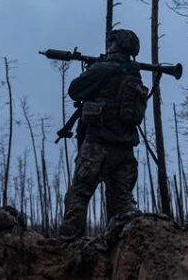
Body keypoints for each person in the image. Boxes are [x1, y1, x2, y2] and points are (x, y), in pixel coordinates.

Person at [58, 29, 148, 241]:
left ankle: (65, 248)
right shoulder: (135, 74)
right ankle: (126, 245)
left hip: (97, 145)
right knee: (123, 199)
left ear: (114, 45)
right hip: (125, 149)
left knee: (79, 194)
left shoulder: (103, 68)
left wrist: (92, 70)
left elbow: (75, 90)